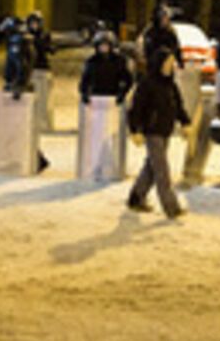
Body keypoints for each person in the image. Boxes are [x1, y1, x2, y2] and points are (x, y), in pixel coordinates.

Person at [127, 47, 190, 218]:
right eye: (168, 63)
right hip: (152, 131)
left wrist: (185, 122)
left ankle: (136, 198)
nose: (171, 66)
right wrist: (135, 130)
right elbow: (136, 109)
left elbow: (178, 106)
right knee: (162, 170)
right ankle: (171, 207)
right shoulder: (147, 84)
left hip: (165, 130)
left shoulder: (171, 85)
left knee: (151, 167)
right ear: (159, 64)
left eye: (172, 63)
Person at [79, 30, 133, 105]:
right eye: (101, 45)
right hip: (96, 98)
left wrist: (122, 93)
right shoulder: (91, 62)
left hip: (114, 97)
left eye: (106, 45)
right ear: (97, 46)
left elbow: (128, 80)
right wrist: (84, 94)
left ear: (111, 46)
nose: (104, 48)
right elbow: (84, 82)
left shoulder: (119, 61)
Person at [0, 15, 34, 98]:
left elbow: (21, 64)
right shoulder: (23, 42)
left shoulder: (18, 43)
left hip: (18, 85)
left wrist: (19, 83)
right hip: (17, 82)